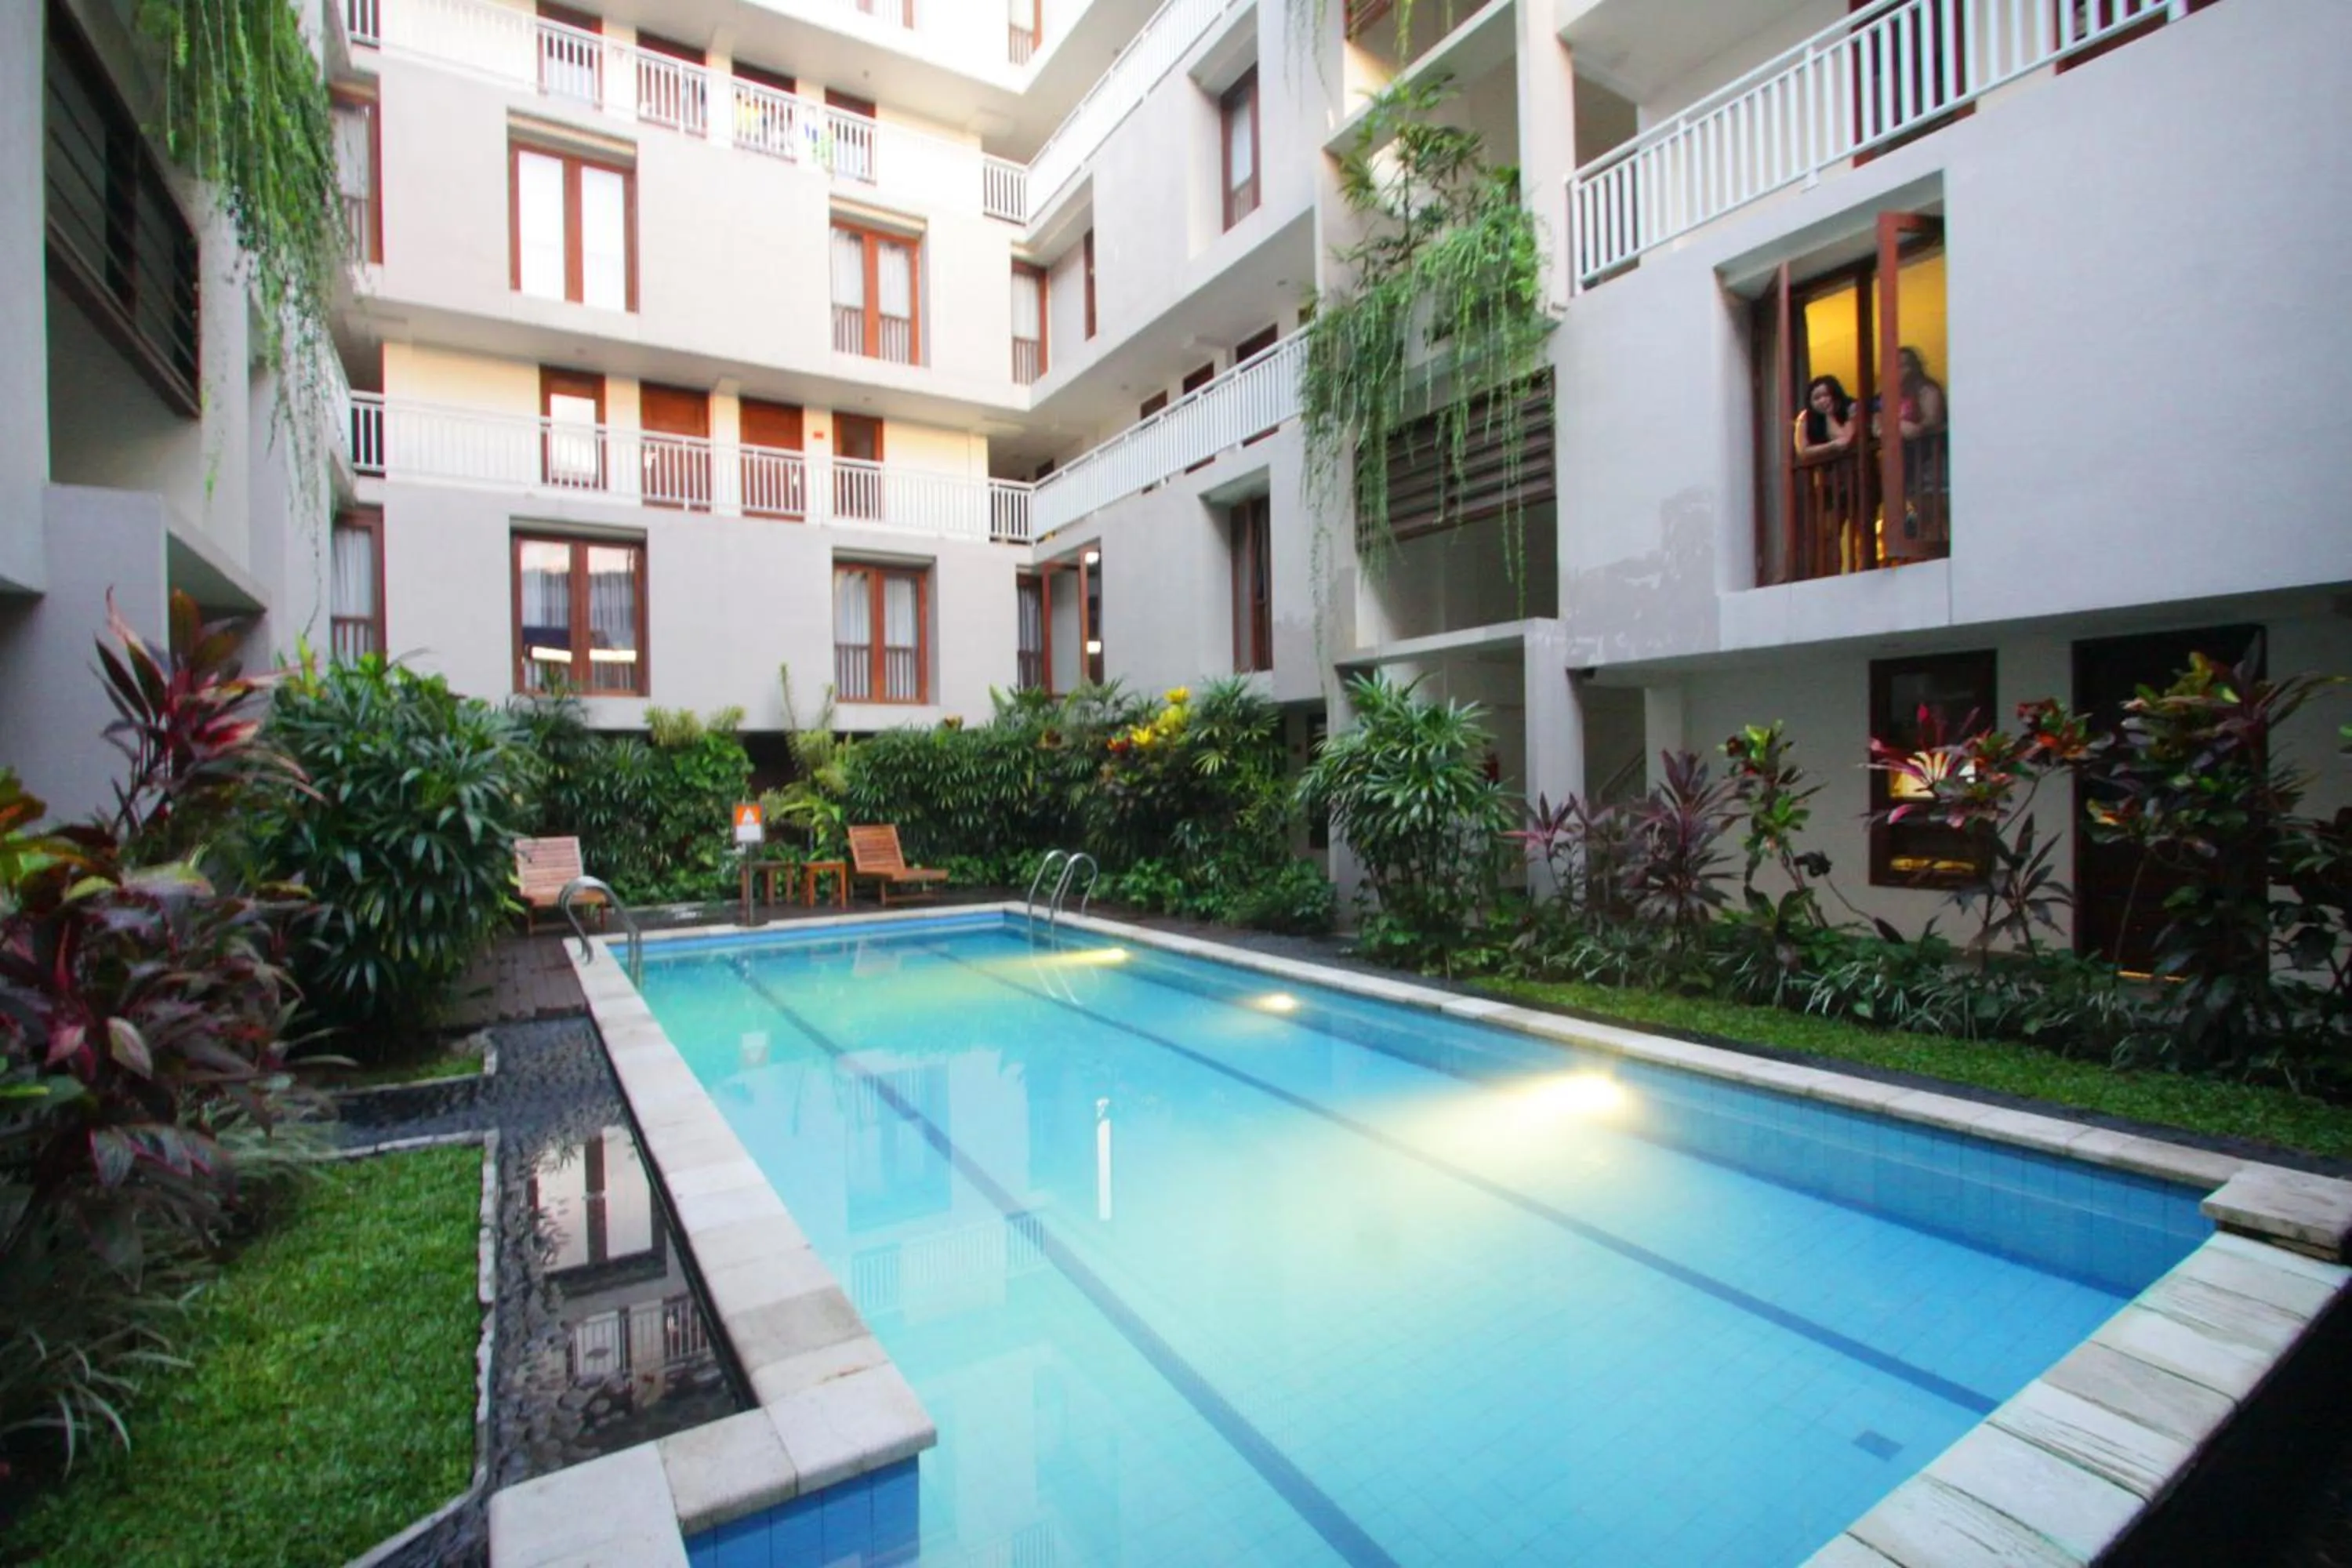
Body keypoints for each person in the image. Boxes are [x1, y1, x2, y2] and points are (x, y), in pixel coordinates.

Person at [1792, 374, 1857, 460]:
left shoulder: (1851, 407)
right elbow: (1802, 451)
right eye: (1816, 398)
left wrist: (1830, 415)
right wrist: (1831, 446)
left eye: (1826, 395)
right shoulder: (1806, 416)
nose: (1822, 401)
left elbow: (1845, 442)